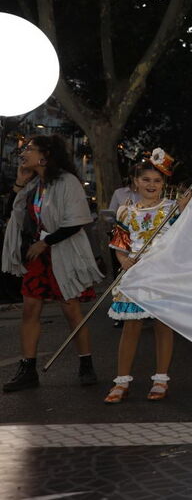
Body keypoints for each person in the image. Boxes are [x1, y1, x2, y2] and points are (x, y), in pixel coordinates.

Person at [1, 135, 104, 392]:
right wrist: (18, 183)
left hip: (62, 252)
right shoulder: (33, 184)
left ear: (45, 155)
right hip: (38, 255)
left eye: (30, 149)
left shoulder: (67, 182)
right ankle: (28, 370)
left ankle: (86, 364)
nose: (24, 152)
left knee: (70, 310)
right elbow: (8, 214)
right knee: (29, 310)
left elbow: (77, 221)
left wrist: (45, 243)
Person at [104, 149, 189, 403]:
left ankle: (161, 379)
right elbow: (120, 244)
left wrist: (184, 212)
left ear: (164, 184)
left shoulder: (172, 209)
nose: (151, 185)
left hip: (162, 275)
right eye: (146, 180)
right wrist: (124, 260)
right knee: (131, 326)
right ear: (135, 182)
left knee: (163, 326)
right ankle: (121, 382)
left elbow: (185, 236)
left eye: (157, 181)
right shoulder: (125, 212)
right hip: (136, 273)